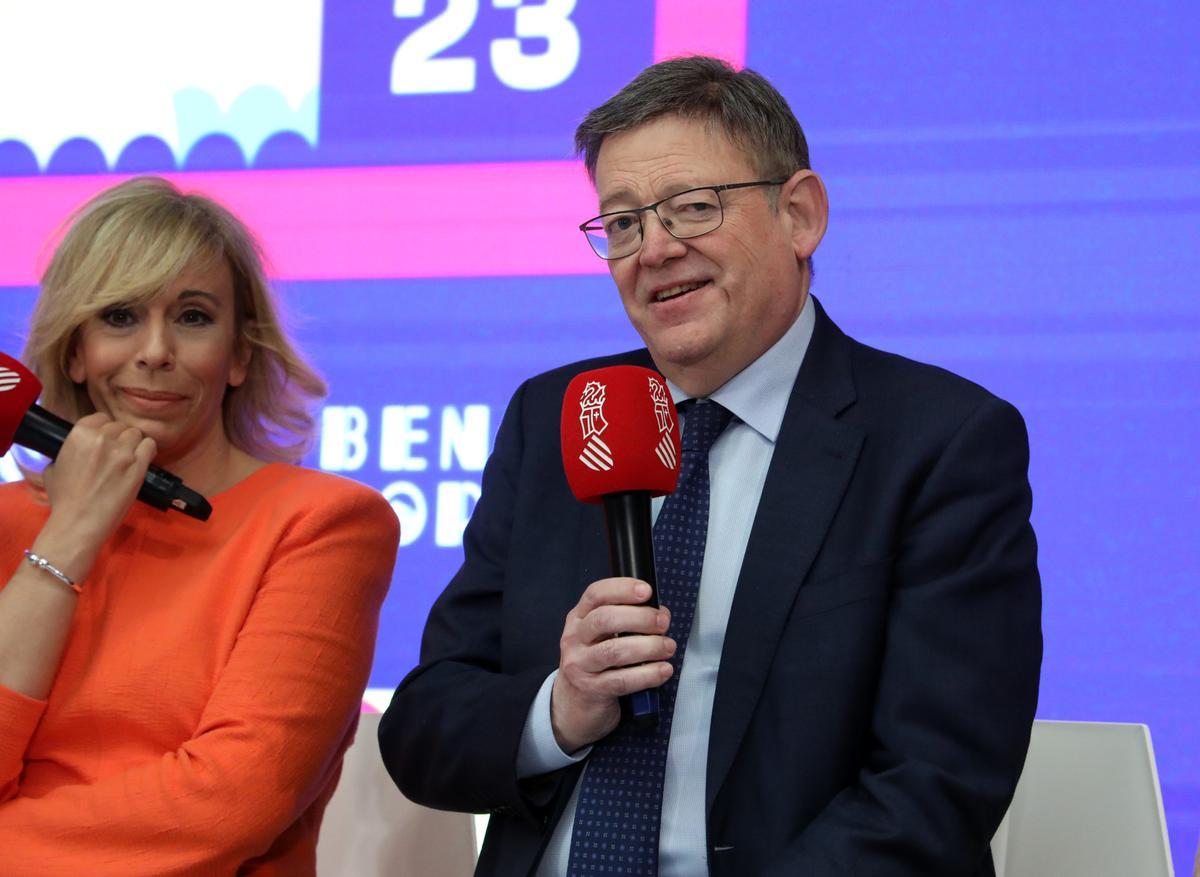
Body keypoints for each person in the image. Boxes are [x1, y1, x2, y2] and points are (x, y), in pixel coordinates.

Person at [380, 56, 1041, 876]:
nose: (653, 249)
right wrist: (560, 707)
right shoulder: (555, 418)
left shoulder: (939, 441)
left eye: (691, 208)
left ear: (799, 215)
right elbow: (422, 726)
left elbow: (936, 785)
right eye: (621, 223)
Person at [0, 177, 399, 875]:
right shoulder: (8, 523)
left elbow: (227, 802)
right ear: (74, 351)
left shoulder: (323, 524)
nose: (155, 350)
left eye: (191, 316)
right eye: (120, 316)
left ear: (240, 353)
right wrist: (66, 538)